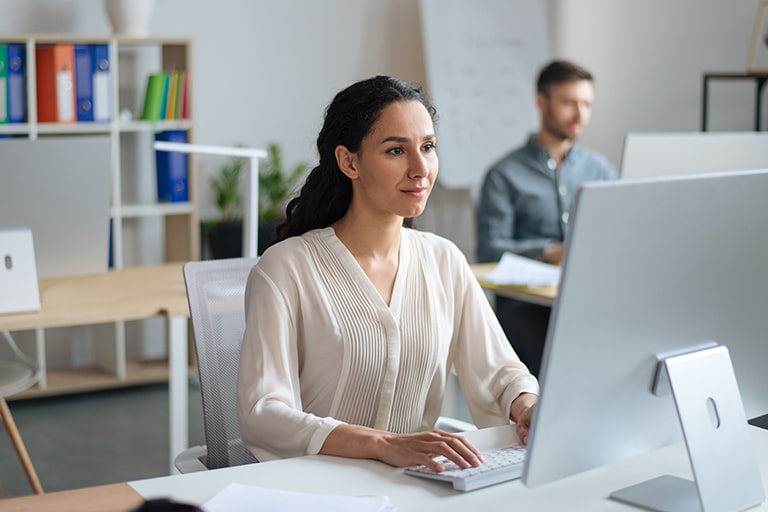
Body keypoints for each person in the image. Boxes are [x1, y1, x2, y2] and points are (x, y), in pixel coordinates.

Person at [237, 75, 538, 473]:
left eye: (428, 147)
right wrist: (381, 444)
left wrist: (525, 405)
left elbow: (500, 371)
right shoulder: (285, 268)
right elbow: (263, 412)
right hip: (321, 486)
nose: (420, 169)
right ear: (349, 161)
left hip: (420, 482)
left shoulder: (444, 260)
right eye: (396, 150)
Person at [475, 60, 618, 375]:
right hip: (528, 312)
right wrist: (551, 252)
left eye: (586, 104)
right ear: (541, 102)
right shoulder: (503, 175)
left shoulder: (600, 169)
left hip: (588, 302)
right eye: (569, 103)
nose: (580, 115)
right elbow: (489, 251)